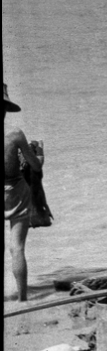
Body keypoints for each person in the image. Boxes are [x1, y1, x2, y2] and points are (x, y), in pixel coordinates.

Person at [4, 83, 43, 301]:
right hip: (16, 195)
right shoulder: (15, 135)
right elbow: (36, 167)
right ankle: (22, 299)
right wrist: (40, 154)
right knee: (16, 248)